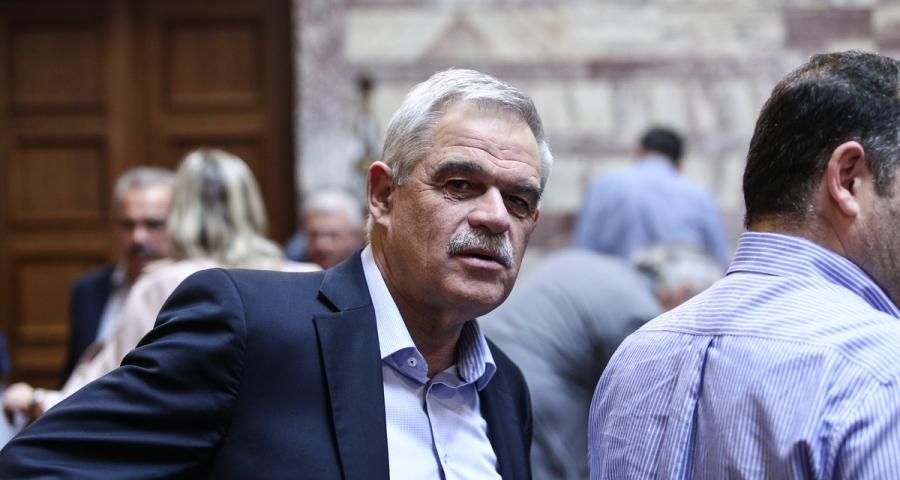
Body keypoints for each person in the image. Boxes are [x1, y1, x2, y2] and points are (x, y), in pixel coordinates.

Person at [0, 68, 553, 479]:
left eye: (519, 200)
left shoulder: (503, 386)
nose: (494, 217)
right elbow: (36, 468)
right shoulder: (250, 328)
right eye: (460, 185)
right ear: (383, 195)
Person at [589, 51, 900, 478]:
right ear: (847, 179)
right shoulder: (880, 370)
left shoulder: (630, 360)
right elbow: (715, 252)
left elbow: (590, 253)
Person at [2, 148, 319, 422]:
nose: (138, 237)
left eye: (154, 223)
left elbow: (105, 389)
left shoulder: (161, 284)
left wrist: (36, 400)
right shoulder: (307, 279)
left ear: (180, 211)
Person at [481, 245, 721, 480]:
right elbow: (645, 413)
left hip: (490, 361)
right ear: (682, 293)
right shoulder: (642, 318)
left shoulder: (605, 267)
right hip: (535, 388)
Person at [63, 167, 174, 381]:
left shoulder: (194, 288)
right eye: (128, 225)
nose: (138, 238)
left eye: (153, 224)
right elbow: (74, 373)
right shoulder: (88, 289)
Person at [570, 126, 730, 267]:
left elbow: (584, 251)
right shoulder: (700, 195)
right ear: (680, 162)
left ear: (638, 151)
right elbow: (720, 257)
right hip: (680, 289)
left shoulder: (604, 186)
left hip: (618, 286)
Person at [285, 189, 365, 268]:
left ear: (355, 236)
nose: (321, 246)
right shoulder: (294, 261)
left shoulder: (365, 266)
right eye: (314, 235)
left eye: (333, 235)